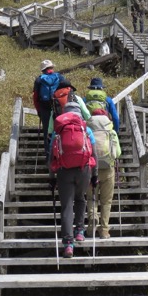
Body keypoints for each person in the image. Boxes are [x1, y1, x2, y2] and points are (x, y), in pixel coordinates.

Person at [49, 102, 97, 258]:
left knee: (67, 206)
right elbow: (94, 155)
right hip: (84, 170)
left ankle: (68, 244)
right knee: (81, 199)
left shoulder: (58, 132)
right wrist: (94, 175)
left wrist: (52, 178)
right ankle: (79, 232)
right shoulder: (86, 130)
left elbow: (52, 157)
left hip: (64, 172)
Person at [87, 108, 122, 239]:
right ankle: (104, 230)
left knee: (91, 198)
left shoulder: (88, 131)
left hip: (90, 168)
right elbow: (117, 153)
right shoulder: (111, 131)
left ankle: (92, 224)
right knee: (106, 201)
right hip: (108, 169)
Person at [33, 59, 61, 157]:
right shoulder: (59, 77)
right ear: (52, 68)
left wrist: (38, 110)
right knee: (59, 129)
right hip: (57, 107)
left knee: (46, 132)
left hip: (44, 107)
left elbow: (35, 97)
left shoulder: (39, 79)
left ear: (42, 70)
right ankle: (59, 154)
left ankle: (48, 156)